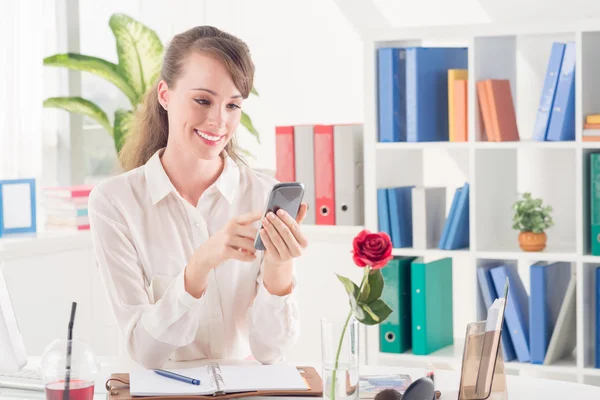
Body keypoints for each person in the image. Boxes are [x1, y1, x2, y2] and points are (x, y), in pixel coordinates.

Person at [88, 25, 308, 369]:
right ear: (165, 94)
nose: (218, 121)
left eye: (232, 105)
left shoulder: (261, 194)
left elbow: (270, 351)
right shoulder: (115, 202)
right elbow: (145, 351)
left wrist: (279, 266)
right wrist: (198, 267)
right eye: (203, 100)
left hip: (245, 392)